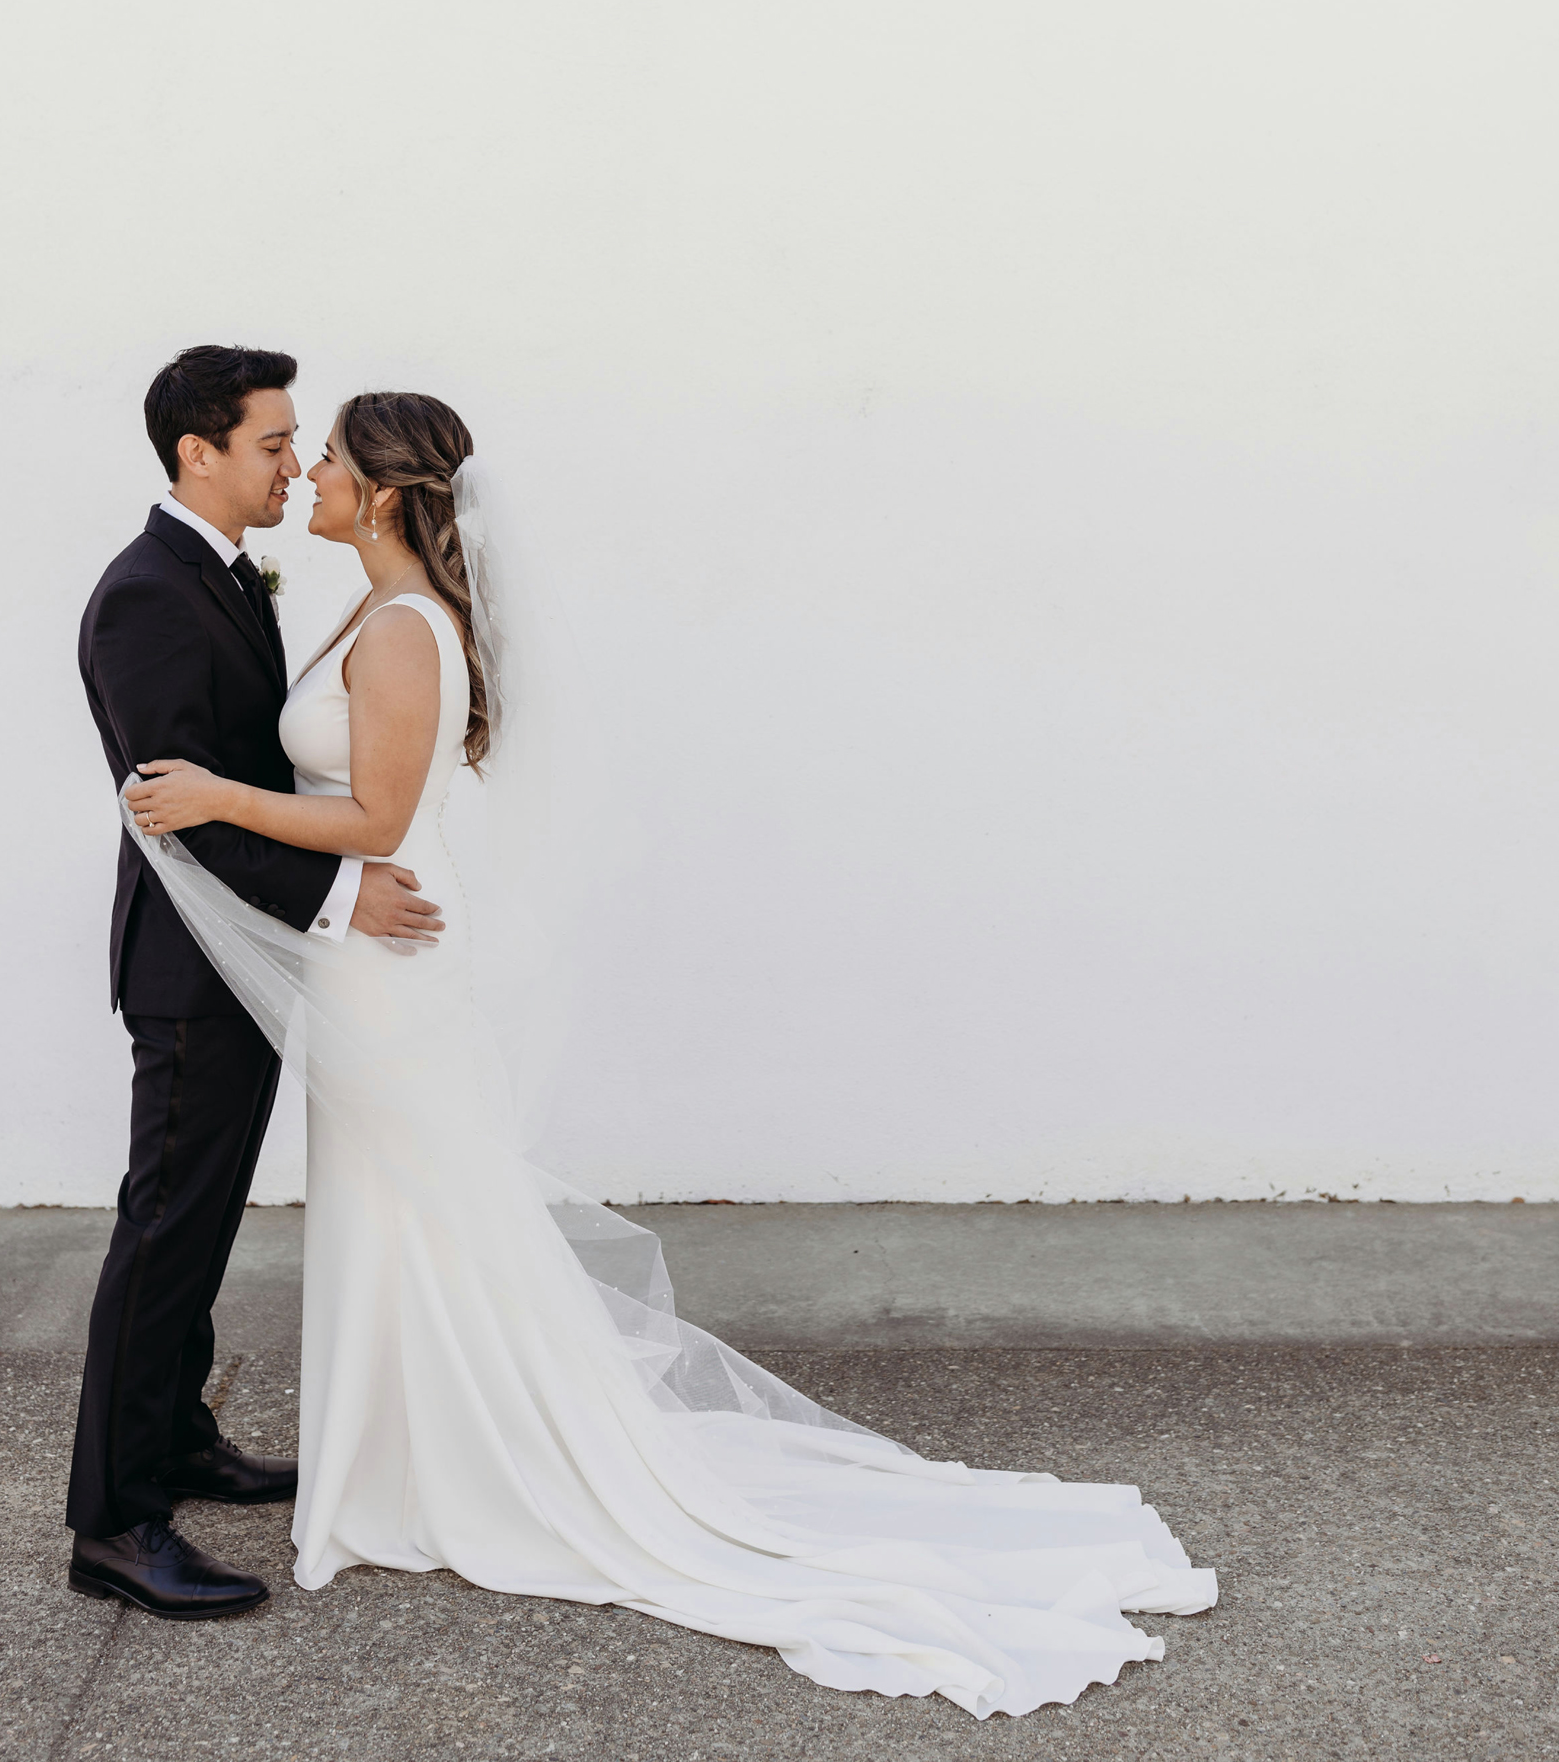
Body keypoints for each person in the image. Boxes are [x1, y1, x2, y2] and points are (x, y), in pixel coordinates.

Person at [124, 382, 1218, 1717]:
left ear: (394, 494)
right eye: (297, 451)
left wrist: (217, 795)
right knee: (399, 1214)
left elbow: (376, 814)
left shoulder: (405, 628)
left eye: (333, 458)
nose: (311, 475)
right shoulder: (367, 603)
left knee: (432, 1212)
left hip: (394, 961)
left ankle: (456, 1462)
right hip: (368, 958)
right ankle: (399, 1453)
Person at [68, 348, 444, 1620]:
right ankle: (115, 1521)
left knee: (205, 1220)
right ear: (199, 455)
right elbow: (176, 808)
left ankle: (176, 1437)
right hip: (189, 965)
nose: (295, 460)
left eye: (298, 442)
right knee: (164, 1230)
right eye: (276, 441)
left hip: (247, 953)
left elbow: (250, 773)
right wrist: (343, 896)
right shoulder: (145, 596)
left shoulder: (220, 571)